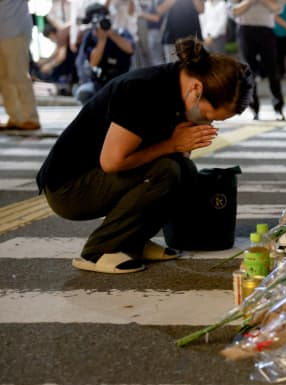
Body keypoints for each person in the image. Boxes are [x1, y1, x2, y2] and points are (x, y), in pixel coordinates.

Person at [36, 37, 254, 274]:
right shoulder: (142, 90)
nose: (208, 121)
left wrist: (181, 145)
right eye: (209, 115)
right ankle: (97, 251)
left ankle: (133, 242)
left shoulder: (183, 94)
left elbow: (175, 156)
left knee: (184, 170)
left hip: (100, 176)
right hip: (69, 188)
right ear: (197, 89)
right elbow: (112, 161)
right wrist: (171, 144)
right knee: (166, 172)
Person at [231, 0, 286, 121]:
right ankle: (253, 109)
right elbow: (233, 10)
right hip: (245, 29)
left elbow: (278, 8)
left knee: (273, 70)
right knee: (248, 72)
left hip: (266, 30)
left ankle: (278, 108)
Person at [74, 3, 135, 104]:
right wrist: (102, 40)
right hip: (99, 83)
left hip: (122, 81)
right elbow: (93, 63)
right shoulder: (90, 36)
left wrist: (110, 34)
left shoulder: (121, 32)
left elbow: (130, 49)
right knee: (84, 92)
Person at [0, 0, 42, 131]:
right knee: (4, 78)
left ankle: (30, 118)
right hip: (4, 30)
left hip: (14, 29)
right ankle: (16, 117)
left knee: (18, 75)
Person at [138, 0, 165, 66]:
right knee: (155, 58)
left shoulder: (159, 2)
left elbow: (156, 18)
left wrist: (142, 15)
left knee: (157, 59)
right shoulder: (153, 2)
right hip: (153, 32)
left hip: (156, 32)